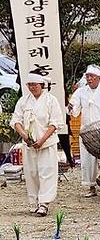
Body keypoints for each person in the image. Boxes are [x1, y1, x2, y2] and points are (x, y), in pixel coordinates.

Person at [11, 74, 65, 216]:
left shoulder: (51, 100)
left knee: (47, 172)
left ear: (42, 85)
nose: (32, 87)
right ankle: (34, 201)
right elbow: (16, 121)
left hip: (46, 143)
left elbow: (55, 123)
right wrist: (25, 136)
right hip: (29, 144)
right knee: (32, 173)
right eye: (30, 85)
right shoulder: (23, 101)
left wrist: (42, 140)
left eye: (35, 84)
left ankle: (44, 203)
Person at [69, 65, 100, 198]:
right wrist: (71, 107)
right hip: (86, 130)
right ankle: (91, 186)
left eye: (92, 76)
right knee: (88, 160)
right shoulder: (81, 92)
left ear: (99, 78)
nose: (89, 78)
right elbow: (74, 108)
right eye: (87, 76)